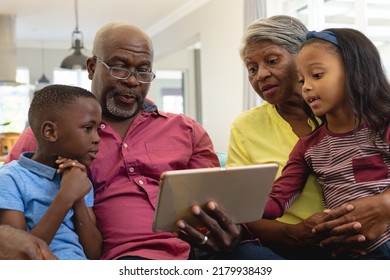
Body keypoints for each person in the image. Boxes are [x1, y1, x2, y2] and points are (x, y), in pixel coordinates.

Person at [5, 23, 281, 260]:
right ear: (91, 68)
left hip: (199, 252)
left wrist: (228, 231)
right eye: (120, 67)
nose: (133, 81)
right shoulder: (52, 137)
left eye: (143, 71)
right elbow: (11, 194)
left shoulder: (186, 130)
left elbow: (221, 203)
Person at [175, 15, 390, 259]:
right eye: (252, 69)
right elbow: (263, 203)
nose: (261, 75)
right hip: (306, 248)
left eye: (272, 60)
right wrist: (291, 232)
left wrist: (385, 205)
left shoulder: (371, 120)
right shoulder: (276, 136)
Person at [263, 28, 390, 259]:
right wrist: (232, 202)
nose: (306, 87)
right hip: (344, 254)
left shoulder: (384, 126)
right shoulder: (308, 147)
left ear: (355, 72)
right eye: (302, 80)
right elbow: (277, 201)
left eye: (317, 75)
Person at [0, 84, 102, 260]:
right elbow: (19, 257)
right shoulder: (11, 179)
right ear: (51, 132)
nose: (97, 138)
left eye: (98, 129)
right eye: (88, 128)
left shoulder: (79, 179)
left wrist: (77, 199)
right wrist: (66, 196)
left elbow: (93, 253)